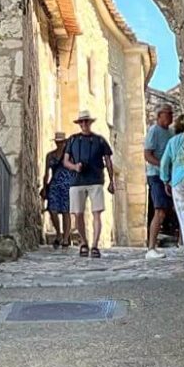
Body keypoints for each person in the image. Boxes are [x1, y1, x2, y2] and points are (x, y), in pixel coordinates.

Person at [64, 110, 115, 258]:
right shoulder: (72, 140)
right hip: (77, 181)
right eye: (82, 122)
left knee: (97, 213)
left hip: (95, 180)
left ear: (90, 123)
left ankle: (95, 245)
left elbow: (108, 161)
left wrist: (112, 181)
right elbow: (66, 161)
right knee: (78, 214)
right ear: (79, 124)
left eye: (86, 121)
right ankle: (84, 243)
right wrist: (75, 167)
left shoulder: (100, 140)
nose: (84, 124)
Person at [144, 105, 175, 260]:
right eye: (168, 114)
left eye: (171, 114)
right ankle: (150, 248)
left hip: (168, 175)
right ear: (159, 116)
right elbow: (147, 155)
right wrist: (162, 165)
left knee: (170, 210)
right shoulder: (154, 131)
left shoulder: (171, 133)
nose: (171, 116)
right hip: (156, 176)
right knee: (159, 210)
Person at [160, 116, 184, 258]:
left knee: (183, 213)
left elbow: (164, 163)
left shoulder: (172, 142)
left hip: (178, 180)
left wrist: (166, 180)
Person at [40, 132, 74, 247]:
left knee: (66, 211)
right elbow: (46, 174)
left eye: (61, 142)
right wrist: (44, 188)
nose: (59, 144)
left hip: (67, 186)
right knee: (52, 210)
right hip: (54, 186)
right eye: (57, 142)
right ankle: (59, 233)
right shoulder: (50, 156)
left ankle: (65, 238)